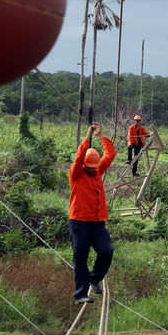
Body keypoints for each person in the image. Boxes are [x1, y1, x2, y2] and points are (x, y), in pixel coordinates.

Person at [68, 122, 116, 304]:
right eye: (89, 166)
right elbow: (80, 157)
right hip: (79, 222)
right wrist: (88, 136)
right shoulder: (76, 173)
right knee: (80, 257)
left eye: (94, 167)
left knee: (107, 251)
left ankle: (94, 279)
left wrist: (102, 136)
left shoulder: (97, 171)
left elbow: (110, 155)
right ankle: (80, 294)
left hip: (97, 222)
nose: (92, 169)